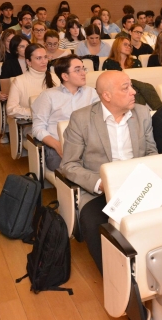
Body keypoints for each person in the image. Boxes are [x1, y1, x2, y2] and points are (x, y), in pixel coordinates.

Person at [58, 70, 155, 282]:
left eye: (131, 86)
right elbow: (69, 165)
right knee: (96, 226)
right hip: (98, 191)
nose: (134, 92)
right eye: (126, 88)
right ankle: (122, 287)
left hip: (137, 186)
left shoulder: (141, 113)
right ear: (107, 96)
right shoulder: (81, 119)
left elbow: (151, 153)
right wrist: (102, 184)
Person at [32, 54, 99, 172]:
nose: (83, 73)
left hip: (87, 145)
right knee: (75, 169)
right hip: (57, 145)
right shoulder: (48, 96)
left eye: (83, 69)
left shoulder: (91, 93)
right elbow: (38, 128)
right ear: (65, 76)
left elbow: (99, 120)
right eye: (78, 70)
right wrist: (58, 145)